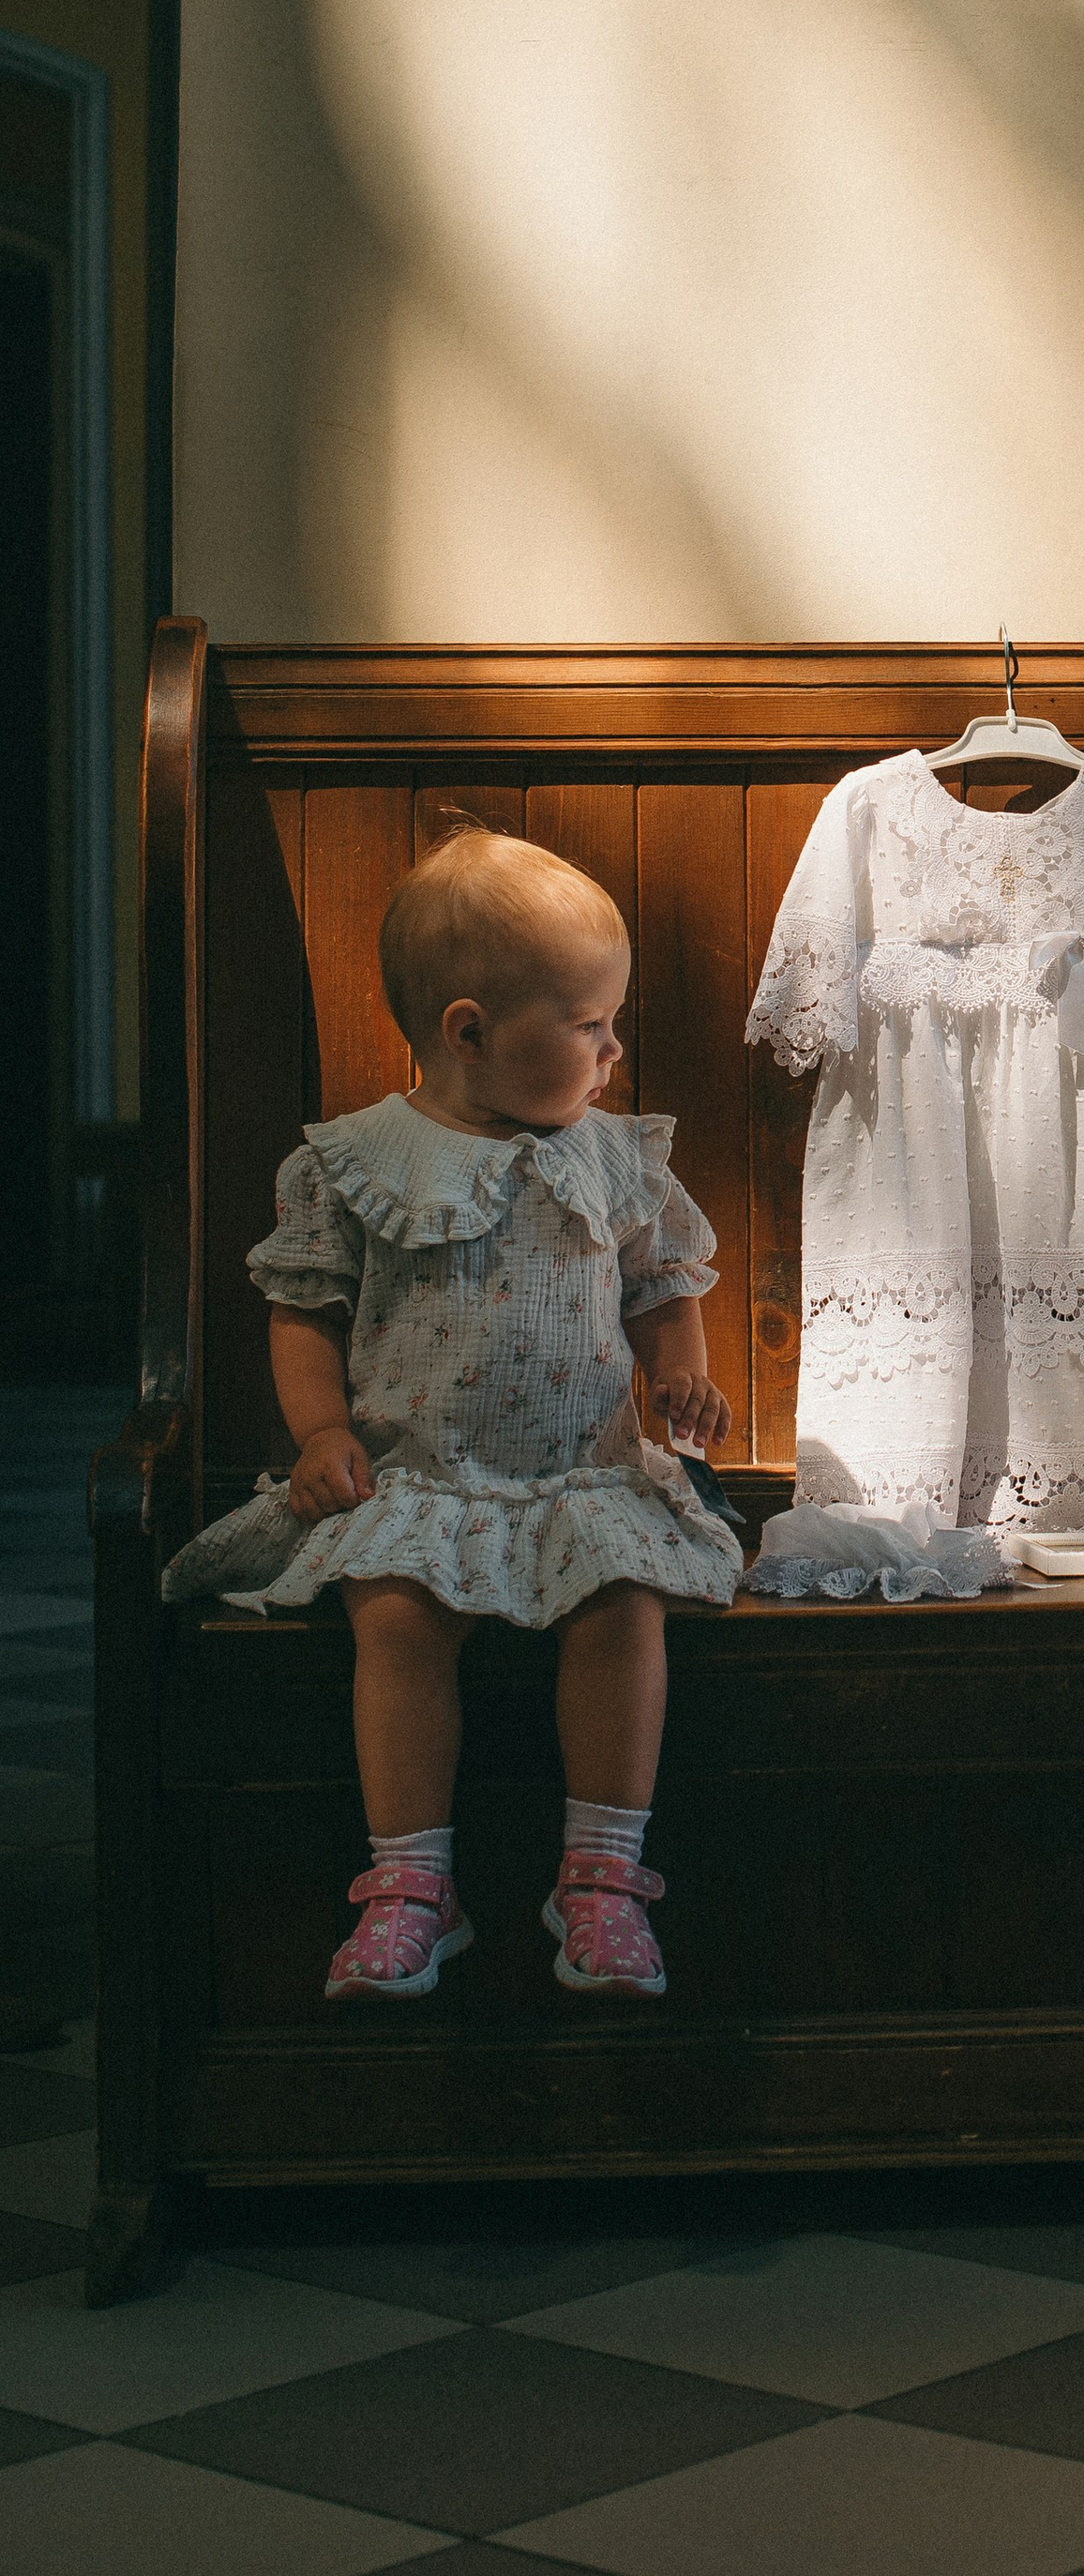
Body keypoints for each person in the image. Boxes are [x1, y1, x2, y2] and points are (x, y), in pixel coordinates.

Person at [161, 827, 744, 2001]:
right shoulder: (361, 1161)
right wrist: (322, 1433)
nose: (613, 1048)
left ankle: (600, 1878)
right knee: (397, 1619)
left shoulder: (615, 1157)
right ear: (468, 1029)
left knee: (628, 1611)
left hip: (584, 1480)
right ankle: (413, 1886)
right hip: (420, 1481)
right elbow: (304, 1311)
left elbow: (660, 1287)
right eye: (587, 1024)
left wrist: (677, 1370)